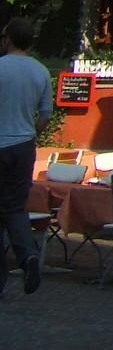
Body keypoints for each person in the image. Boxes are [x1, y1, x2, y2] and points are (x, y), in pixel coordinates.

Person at [0, 17, 52, 299]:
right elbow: (45, 114)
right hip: (23, 145)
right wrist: (31, 133)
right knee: (14, 208)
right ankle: (28, 255)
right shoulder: (41, 71)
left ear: (8, 39)